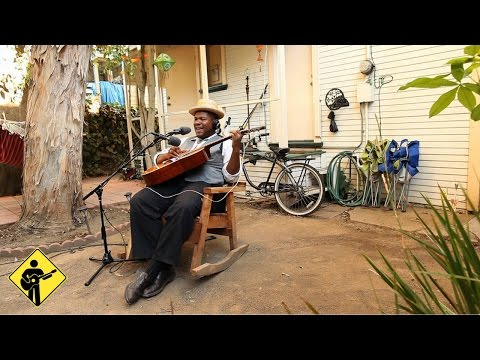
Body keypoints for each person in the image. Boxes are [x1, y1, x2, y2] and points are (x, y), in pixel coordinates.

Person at [124, 98, 244, 305]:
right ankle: (164, 268)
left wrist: (235, 148)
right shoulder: (186, 141)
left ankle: (152, 270)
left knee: (183, 206)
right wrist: (166, 156)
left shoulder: (224, 142)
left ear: (215, 123)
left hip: (206, 189)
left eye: (203, 119)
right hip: (179, 185)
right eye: (195, 119)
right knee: (140, 201)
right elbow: (159, 159)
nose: (197, 122)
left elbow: (231, 176)